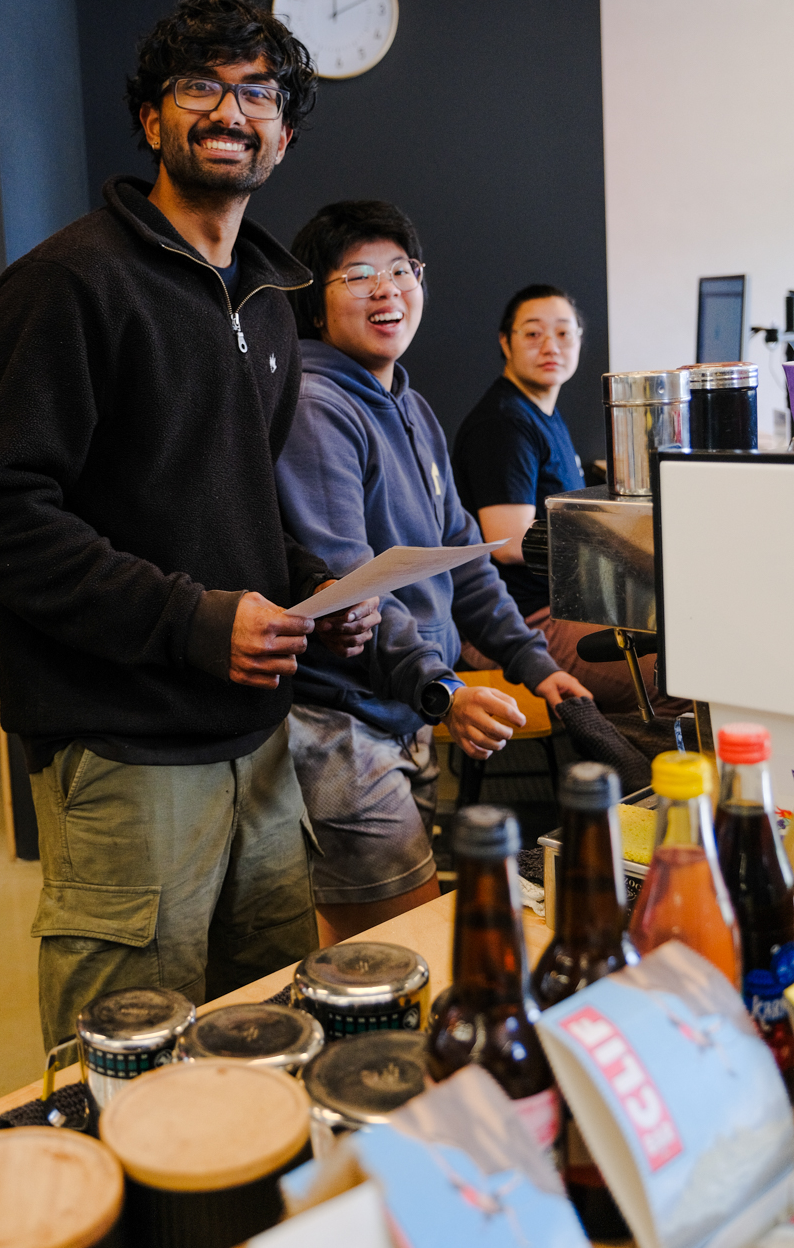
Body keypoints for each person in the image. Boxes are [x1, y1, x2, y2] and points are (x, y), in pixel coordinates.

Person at [0, 0, 378, 1049]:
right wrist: (193, 621)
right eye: (200, 87)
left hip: (258, 746)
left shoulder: (268, 302)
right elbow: (0, 514)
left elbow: (229, 504)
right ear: (151, 120)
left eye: (259, 94)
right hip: (125, 751)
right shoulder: (65, 285)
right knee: (132, 1065)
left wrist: (312, 594)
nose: (231, 111)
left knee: (266, 1040)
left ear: (282, 135)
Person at [274, 203, 590, 945]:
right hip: (343, 721)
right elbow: (352, 587)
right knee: (406, 940)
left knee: (371, 942)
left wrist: (535, 664)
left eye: (401, 270)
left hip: (403, 708)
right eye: (358, 275)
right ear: (315, 301)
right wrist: (443, 689)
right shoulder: (318, 406)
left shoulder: (408, 404)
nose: (387, 289)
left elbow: (464, 558)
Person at [451, 283, 667, 711]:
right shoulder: (503, 424)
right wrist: (622, 550)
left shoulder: (542, 411)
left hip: (561, 607)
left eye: (564, 333)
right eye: (533, 333)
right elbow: (509, 542)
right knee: (682, 677)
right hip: (523, 621)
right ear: (505, 342)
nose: (551, 346)